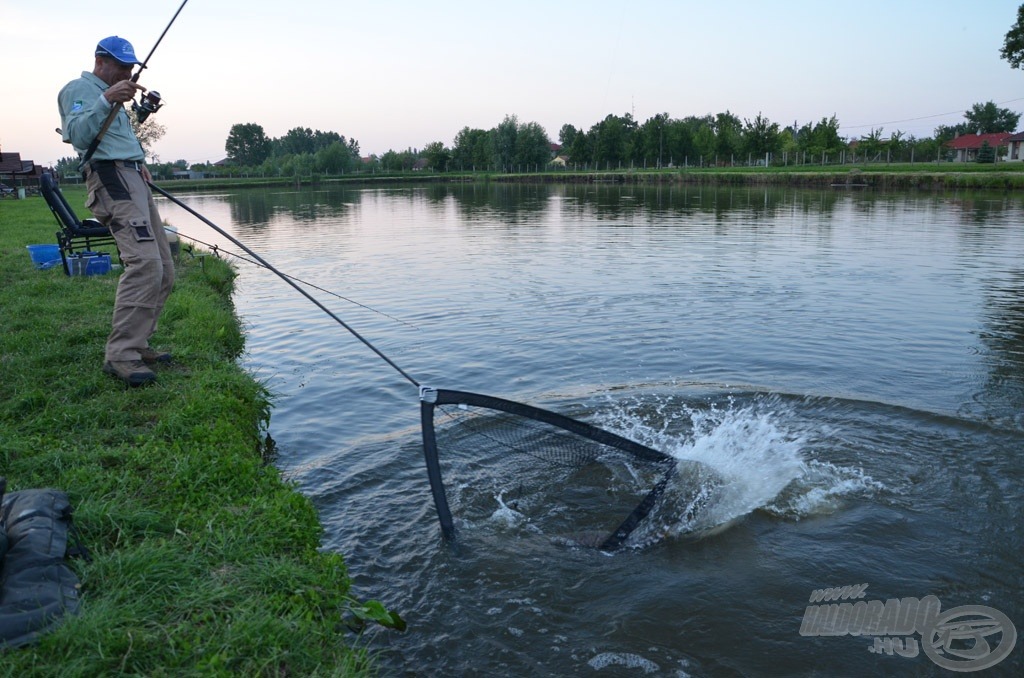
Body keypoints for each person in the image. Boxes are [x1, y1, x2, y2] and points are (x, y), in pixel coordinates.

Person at [58, 36, 175, 386]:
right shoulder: (79, 88)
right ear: (100, 61)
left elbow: (114, 139)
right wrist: (107, 98)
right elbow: (77, 134)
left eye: (130, 67)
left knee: (165, 268)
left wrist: (138, 162)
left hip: (132, 176)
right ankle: (121, 355)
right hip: (111, 179)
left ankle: (138, 344)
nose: (127, 72)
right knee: (145, 264)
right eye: (121, 66)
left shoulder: (116, 96)